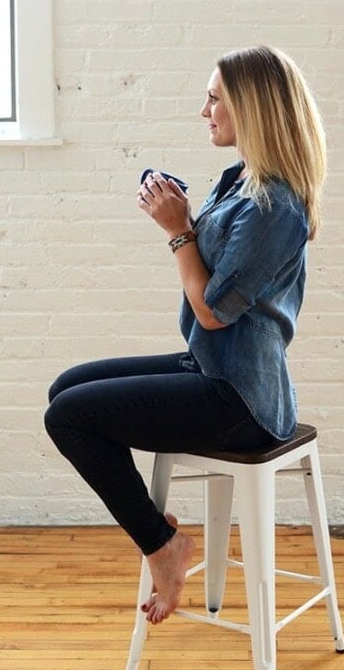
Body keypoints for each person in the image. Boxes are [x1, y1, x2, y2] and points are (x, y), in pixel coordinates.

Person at [44, 45, 326, 625]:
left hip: (241, 399)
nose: (205, 111)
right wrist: (182, 213)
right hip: (212, 368)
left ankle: (162, 545)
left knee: (68, 416)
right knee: (65, 389)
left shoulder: (277, 207)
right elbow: (219, 274)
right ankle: (159, 536)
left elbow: (214, 312)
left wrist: (177, 232)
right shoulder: (243, 180)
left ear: (251, 108)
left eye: (215, 98)